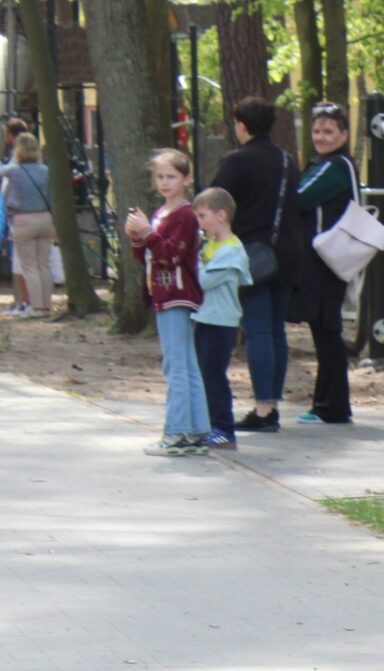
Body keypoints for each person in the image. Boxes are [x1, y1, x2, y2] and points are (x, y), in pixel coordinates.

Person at [211, 96, 301, 433]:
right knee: (276, 331)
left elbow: (215, 200)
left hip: (253, 255)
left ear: (241, 125)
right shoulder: (286, 159)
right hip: (286, 253)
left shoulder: (237, 161)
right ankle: (271, 404)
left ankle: (263, 409)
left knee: (258, 330)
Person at [126, 149, 210, 456]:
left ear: (186, 179)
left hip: (178, 295)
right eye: (160, 176)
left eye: (171, 176)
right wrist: (138, 237)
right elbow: (150, 257)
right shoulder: (161, 213)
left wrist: (147, 232)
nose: (164, 182)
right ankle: (196, 431)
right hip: (162, 293)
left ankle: (176, 432)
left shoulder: (185, 215)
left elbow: (171, 255)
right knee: (186, 363)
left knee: (176, 365)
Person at [289, 102, 358, 426]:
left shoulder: (335, 167)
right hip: (324, 259)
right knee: (324, 329)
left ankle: (332, 406)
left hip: (327, 259)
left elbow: (298, 197)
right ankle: (326, 403)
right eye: (317, 131)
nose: (321, 137)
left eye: (329, 131)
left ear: (344, 134)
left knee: (328, 329)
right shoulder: (326, 164)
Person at [192, 187, 253, 450]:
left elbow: (203, 280)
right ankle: (208, 425)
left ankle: (224, 430)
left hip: (221, 322)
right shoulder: (211, 244)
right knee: (203, 373)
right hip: (203, 317)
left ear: (221, 215)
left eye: (202, 216)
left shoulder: (232, 250)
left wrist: (192, 260)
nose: (199, 222)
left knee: (214, 374)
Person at [0, 132, 54, 317]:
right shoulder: (45, 171)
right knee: (44, 265)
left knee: (29, 266)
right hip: (45, 218)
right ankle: (47, 306)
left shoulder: (14, 171)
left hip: (23, 220)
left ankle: (36, 307)